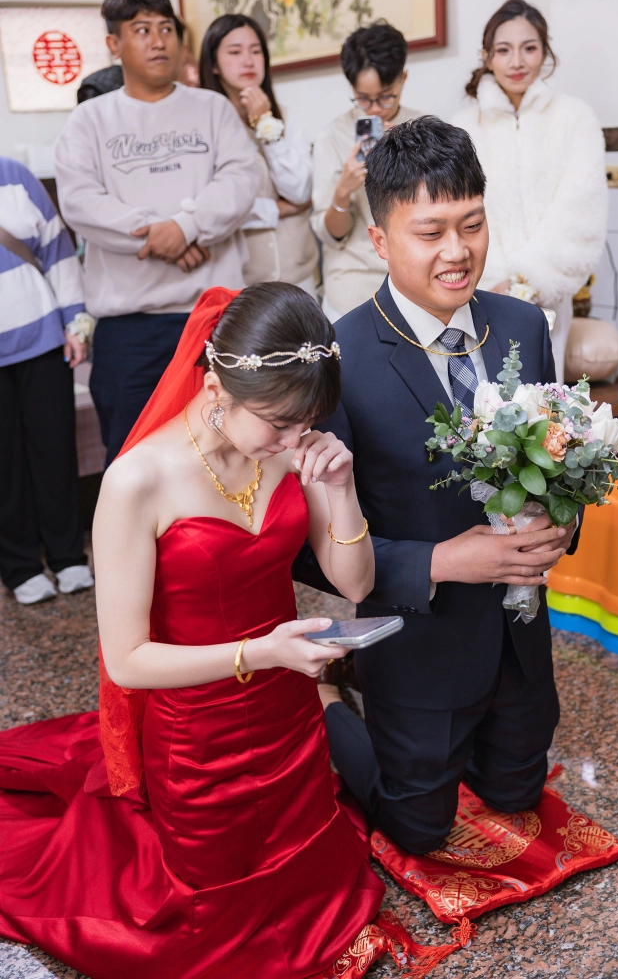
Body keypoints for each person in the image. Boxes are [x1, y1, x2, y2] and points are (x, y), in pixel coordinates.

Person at [0, 283, 385, 978]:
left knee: (312, 883)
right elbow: (127, 660)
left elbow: (355, 585)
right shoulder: (137, 482)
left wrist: (341, 487)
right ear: (216, 389)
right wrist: (262, 651)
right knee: (207, 921)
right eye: (280, 425)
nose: (294, 441)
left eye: (307, 424)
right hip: (198, 734)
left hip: (289, 712)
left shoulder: (292, 443)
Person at [294, 116, 580, 855]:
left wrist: (563, 523)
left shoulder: (523, 326)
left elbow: (558, 460)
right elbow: (307, 550)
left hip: (520, 637)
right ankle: (330, 704)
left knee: (516, 797)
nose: (457, 252)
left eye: (472, 225)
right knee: (416, 830)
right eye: (430, 232)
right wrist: (444, 561)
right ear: (379, 240)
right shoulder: (340, 358)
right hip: (416, 645)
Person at [54, 0, 258, 466]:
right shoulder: (89, 121)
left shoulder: (212, 108)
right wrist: (164, 233)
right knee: (134, 461)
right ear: (114, 43)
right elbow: (80, 201)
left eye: (166, 28)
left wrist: (184, 227)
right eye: (141, 29)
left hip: (216, 320)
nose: (158, 40)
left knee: (230, 454)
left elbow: (241, 180)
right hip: (130, 332)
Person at [450, 0, 607, 382]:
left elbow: (580, 211)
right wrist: (490, 284)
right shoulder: (462, 126)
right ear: (487, 56)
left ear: (545, 53)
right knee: (482, 405)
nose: (517, 62)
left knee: (543, 401)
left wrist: (524, 283)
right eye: (504, 50)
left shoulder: (575, 118)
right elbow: (458, 213)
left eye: (529, 48)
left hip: (547, 298)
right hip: (477, 295)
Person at [0, 156, 94, 604]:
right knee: (4, 465)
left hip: (42, 339)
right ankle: (19, 567)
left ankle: (68, 556)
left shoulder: (13, 174)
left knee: (54, 451)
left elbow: (57, 249)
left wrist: (75, 319)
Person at [311, 21, 421, 322]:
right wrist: (343, 190)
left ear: (403, 78)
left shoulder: (423, 129)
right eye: (363, 98)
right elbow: (332, 235)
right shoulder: (332, 137)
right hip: (353, 285)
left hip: (414, 278)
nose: (374, 109)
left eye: (386, 97)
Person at [200, 15, 318, 294]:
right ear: (214, 64)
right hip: (242, 286)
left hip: (300, 278)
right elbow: (213, 208)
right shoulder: (204, 128)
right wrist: (276, 209)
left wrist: (266, 125)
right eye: (235, 52)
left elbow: (301, 191)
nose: (248, 61)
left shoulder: (287, 117)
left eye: (255, 51)